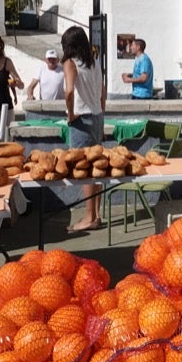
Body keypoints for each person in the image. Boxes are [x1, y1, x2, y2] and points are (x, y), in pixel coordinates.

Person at [62, 25, 106, 232]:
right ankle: (96, 214)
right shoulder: (94, 62)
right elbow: (102, 91)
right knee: (96, 168)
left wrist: (70, 114)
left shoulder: (71, 63)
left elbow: (69, 91)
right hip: (96, 116)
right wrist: (101, 113)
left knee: (85, 170)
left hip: (81, 119)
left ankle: (89, 217)